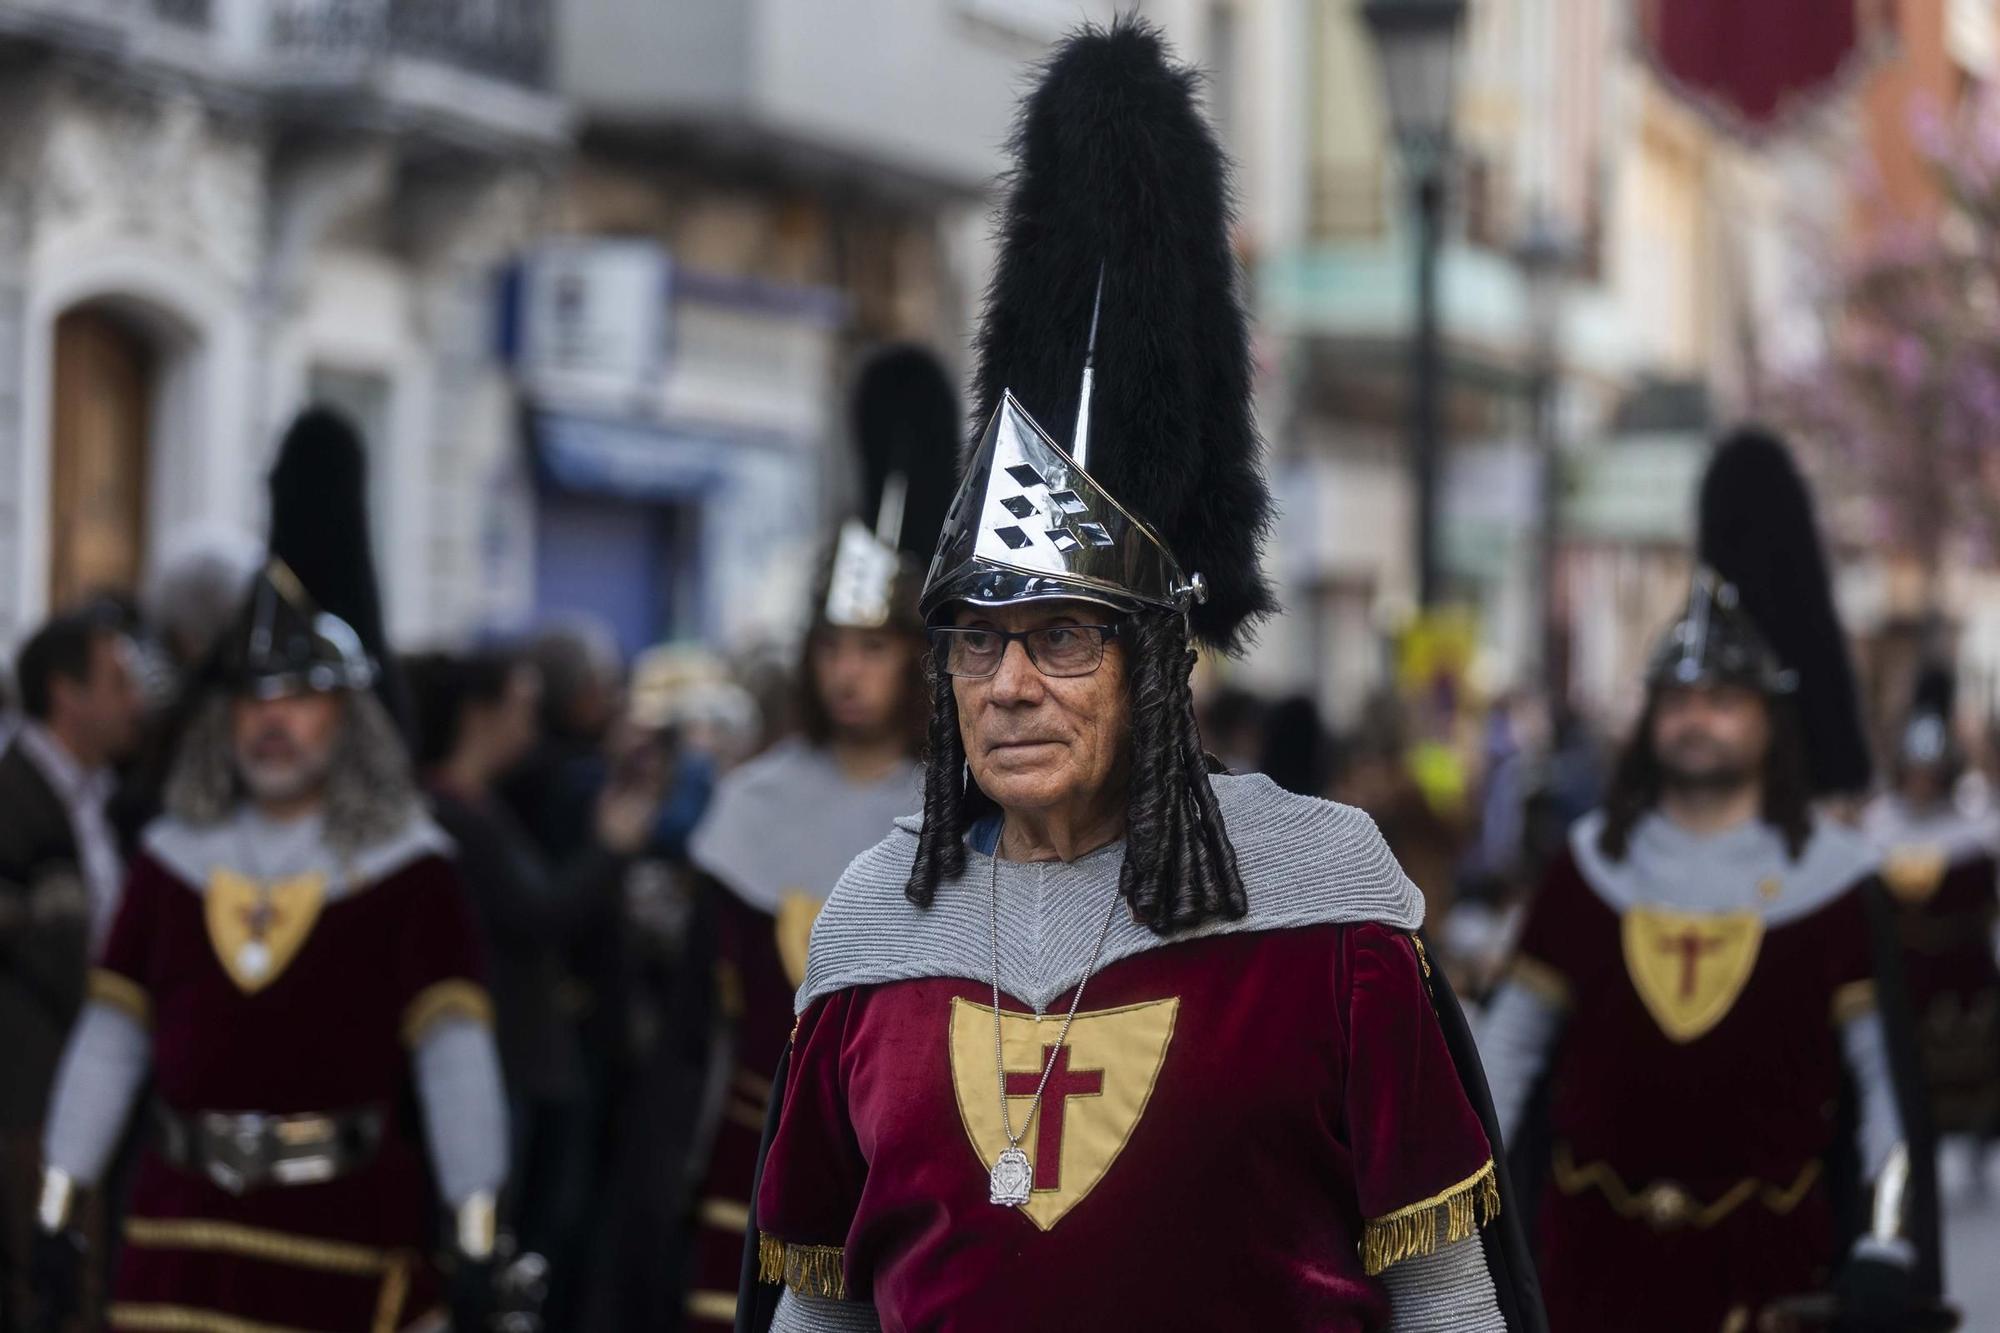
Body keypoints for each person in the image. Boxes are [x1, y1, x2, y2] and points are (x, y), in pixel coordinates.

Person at [737, 22, 1545, 1331]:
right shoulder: (875, 923)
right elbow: (819, 1308)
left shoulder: (1326, 905)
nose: (1007, 682)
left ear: (1158, 668)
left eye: (1062, 638)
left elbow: (1446, 1297)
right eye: (976, 640)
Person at [30, 439, 512, 1333]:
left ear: (346, 714)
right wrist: (60, 1204)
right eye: (253, 701)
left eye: (299, 697)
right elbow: (109, 1040)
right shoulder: (171, 862)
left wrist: (477, 1232)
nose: (273, 720)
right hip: (175, 1233)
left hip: (341, 1238)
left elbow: (455, 1061)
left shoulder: (410, 871)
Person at [1478, 431, 1941, 1332]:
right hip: (1586, 1277)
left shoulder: (1836, 884)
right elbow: (1507, 1055)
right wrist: (1452, 1221)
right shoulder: (1588, 869)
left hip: (1772, 1284)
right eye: (1679, 700)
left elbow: (1887, 1087)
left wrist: (1886, 1243)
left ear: (1771, 721)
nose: (1698, 719)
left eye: (1724, 700)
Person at [677, 344, 954, 1331]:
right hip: (746, 1146)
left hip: (913, 1145)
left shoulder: (964, 818)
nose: (847, 672)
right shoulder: (750, 803)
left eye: (872, 647)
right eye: (832, 647)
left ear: (917, 659)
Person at [409, 646, 662, 1310]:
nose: (532, 722)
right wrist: (610, 844)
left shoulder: (483, 803)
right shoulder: (451, 812)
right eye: (520, 705)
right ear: (479, 713)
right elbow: (537, 914)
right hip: (500, 1053)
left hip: (521, 1049)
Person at [0, 609, 144, 1329]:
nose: (136, 701)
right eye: (119, 681)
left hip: (88, 1090)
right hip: (32, 1096)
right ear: (67, 694)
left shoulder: (100, 798)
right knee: (42, 1287)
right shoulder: (14, 797)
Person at [1864, 663, 2000, 1150]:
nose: (1922, 783)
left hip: (1958, 984)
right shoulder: (1876, 829)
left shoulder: (1975, 835)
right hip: (1898, 977)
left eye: (1931, 775)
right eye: (1915, 774)